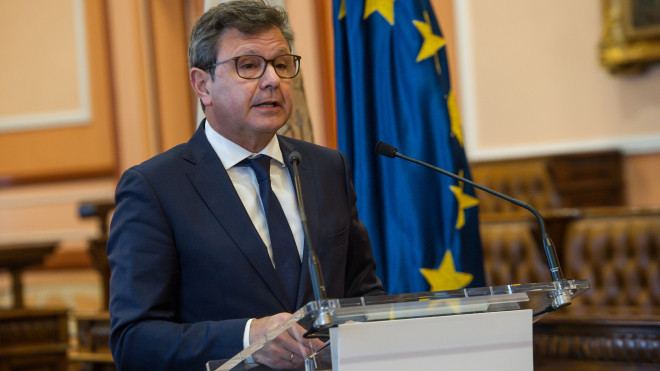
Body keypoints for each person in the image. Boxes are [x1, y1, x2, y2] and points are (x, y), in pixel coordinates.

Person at [106, 1, 385, 370]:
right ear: (202, 84)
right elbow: (133, 340)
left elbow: (363, 293)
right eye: (249, 65)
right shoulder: (155, 188)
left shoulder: (326, 167)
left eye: (282, 64)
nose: (273, 80)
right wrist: (246, 337)